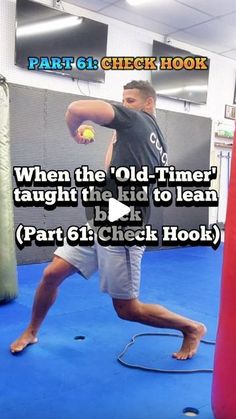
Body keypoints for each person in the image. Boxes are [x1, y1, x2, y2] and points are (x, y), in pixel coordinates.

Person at [10, 80, 206, 360]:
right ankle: (32, 330)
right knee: (51, 274)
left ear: (148, 103)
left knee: (127, 309)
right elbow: (110, 168)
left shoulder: (135, 119)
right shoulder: (155, 138)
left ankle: (191, 328)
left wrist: (75, 132)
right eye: (123, 100)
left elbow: (76, 107)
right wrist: (115, 137)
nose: (124, 105)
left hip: (124, 227)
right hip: (104, 219)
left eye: (130, 100)